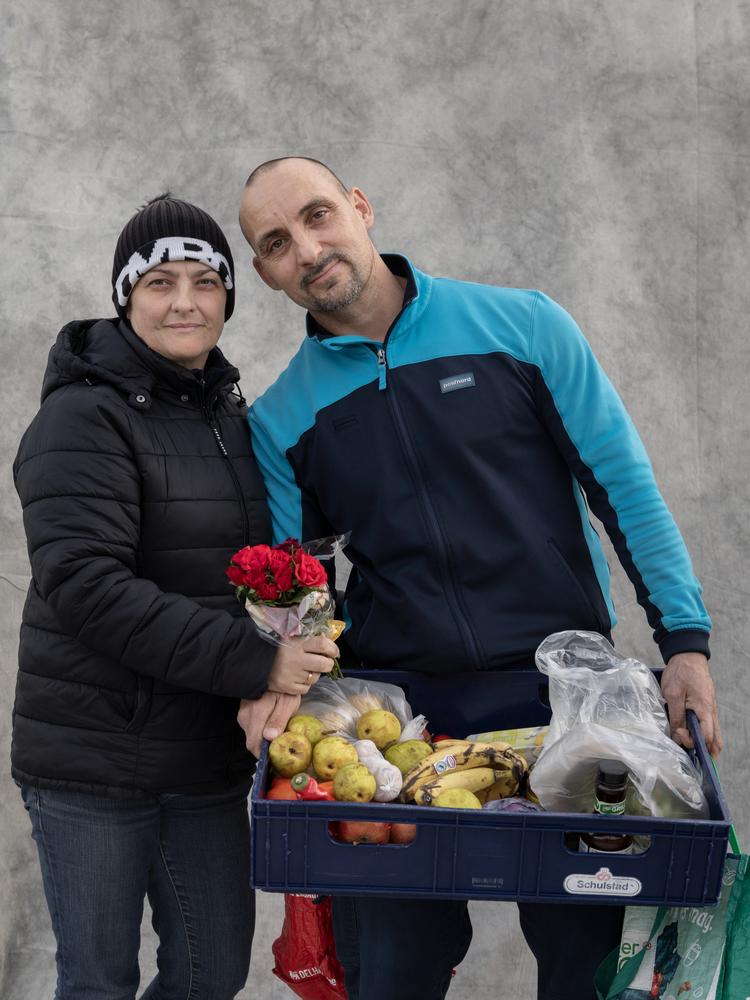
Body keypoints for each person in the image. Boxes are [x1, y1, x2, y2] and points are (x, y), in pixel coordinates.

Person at [235, 156, 722, 1000]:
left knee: (588, 965)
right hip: (397, 723)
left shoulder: (522, 326)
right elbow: (300, 592)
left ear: (361, 205)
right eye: (278, 243)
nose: (308, 249)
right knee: (389, 972)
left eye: (318, 216)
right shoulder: (282, 419)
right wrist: (279, 684)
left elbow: (624, 486)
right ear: (266, 273)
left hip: (559, 696)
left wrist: (685, 642)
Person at [12, 193, 338, 1000]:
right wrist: (261, 661)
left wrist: (310, 630)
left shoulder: (226, 416)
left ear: (230, 294)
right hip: (95, 758)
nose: (185, 301)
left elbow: (264, 569)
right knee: (98, 980)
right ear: (126, 296)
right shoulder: (82, 418)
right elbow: (86, 587)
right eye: (159, 282)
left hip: (201, 755)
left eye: (204, 280)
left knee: (211, 969)